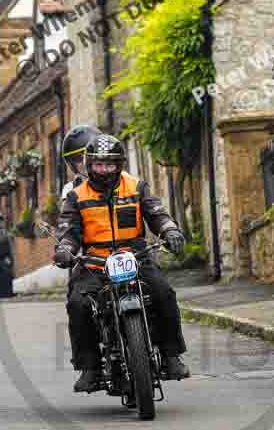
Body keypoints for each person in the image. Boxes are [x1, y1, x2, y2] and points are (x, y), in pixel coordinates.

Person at [54, 133, 190, 393]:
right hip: (94, 262)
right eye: (98, 165)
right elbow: (68, 230)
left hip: (135, 257)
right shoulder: (76, 196)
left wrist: (170, 231)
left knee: (164, 293)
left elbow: (157, 213)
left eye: (111, 164)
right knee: (78, 304)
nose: (105, 170)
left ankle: (172, 356)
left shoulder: (137, 187)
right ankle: (90, 367)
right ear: (89, 164)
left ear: (120, 164)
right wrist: (64, 250)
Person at [61, 124, 102, 202]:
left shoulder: (123, 181)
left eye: (89, 155)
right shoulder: (70, 189)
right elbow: (68, 212)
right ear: (72, 164)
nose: (85, 162)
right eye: (78, 158)